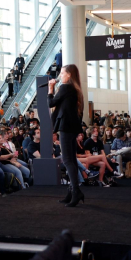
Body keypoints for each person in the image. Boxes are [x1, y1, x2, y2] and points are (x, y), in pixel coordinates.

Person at [48, 64, 84, 207]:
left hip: (65, 126)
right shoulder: (75, 89)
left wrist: (50, 89)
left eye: (62, 73)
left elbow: (51, 103)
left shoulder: (65, 87)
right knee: (72, 160)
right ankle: (73, 191)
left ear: (69, 74)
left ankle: (75, 191)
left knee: (68, 160)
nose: (60, 75)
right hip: (72, 126)